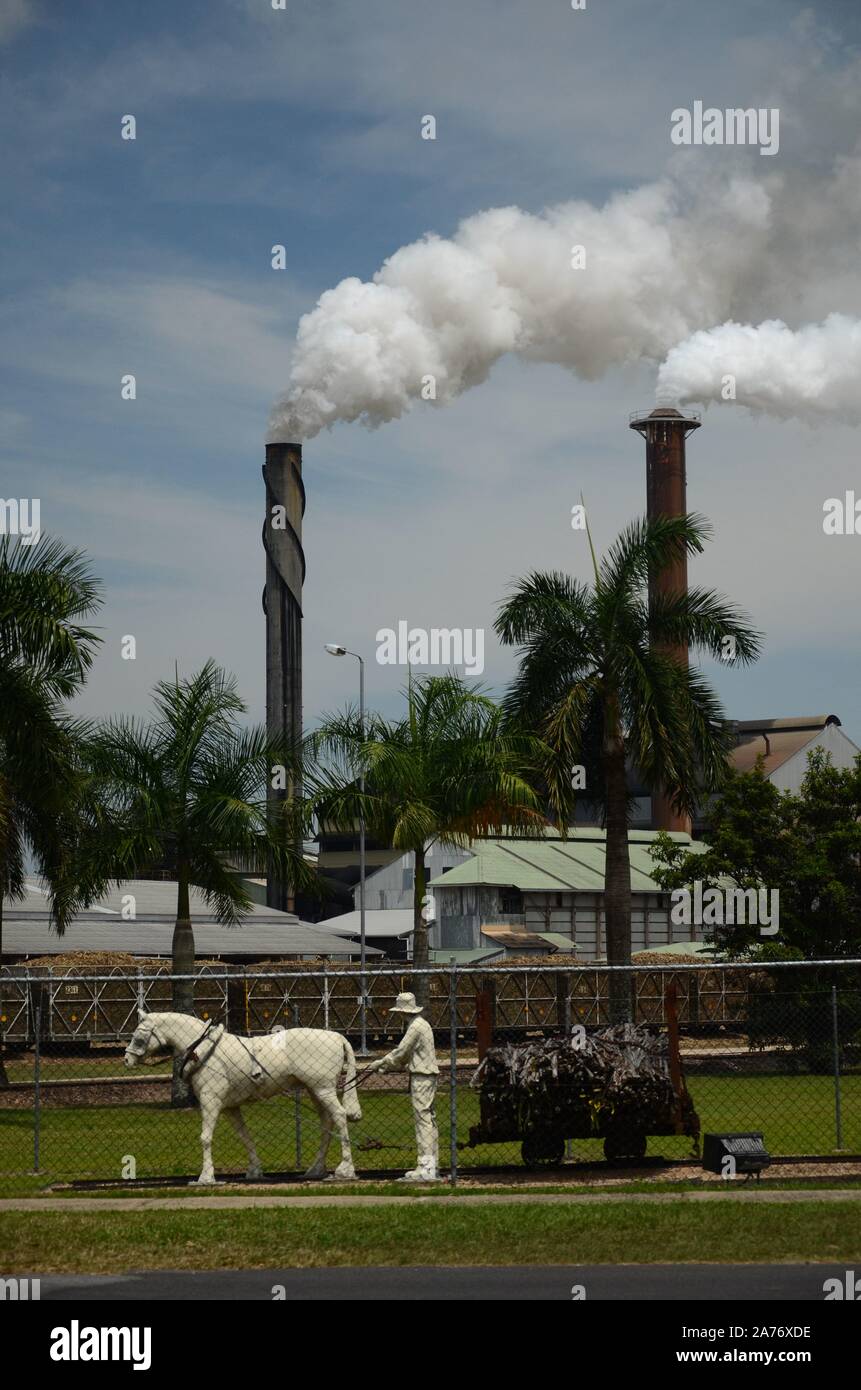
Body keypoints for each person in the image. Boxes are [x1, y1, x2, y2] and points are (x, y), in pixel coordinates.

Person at [370, 992, 440, 1181]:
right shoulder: (421, 1024)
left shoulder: (415, 1026)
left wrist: (382, 1062)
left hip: (422, 1076)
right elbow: (408, 1055)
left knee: (422, 1120)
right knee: (429, 1119)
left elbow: (402, 1052)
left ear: (402, 1011)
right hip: (427, 1075)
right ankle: (432, 1165)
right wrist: (389, 1066)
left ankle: (425, 1168)